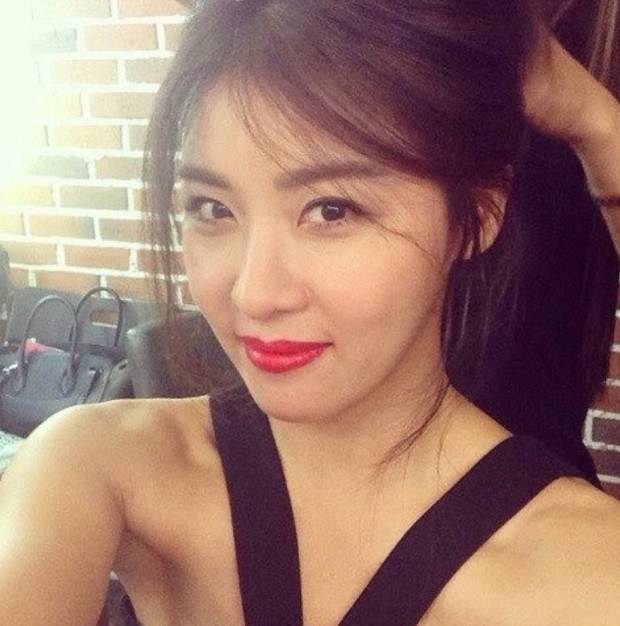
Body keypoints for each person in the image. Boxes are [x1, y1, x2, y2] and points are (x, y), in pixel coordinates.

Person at [1, 1, 620, 624]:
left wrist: (594, 118)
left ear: (477, 215)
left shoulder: (586, 579)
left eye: (331, 210)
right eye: (213, 208)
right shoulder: (95, 468)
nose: (254, 293)